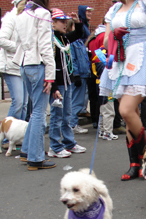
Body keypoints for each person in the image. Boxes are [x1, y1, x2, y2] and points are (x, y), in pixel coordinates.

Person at [99, 0, 146, 181]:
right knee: (131, 116)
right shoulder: (113, 9)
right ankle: (135, 164)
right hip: (120, 62)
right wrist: (114, 34)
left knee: (126, 110)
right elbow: (106, 41)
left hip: (141, 60)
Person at [12, 0, 58, 171]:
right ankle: (35, 158)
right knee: (39, 111)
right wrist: (50, 74)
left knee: (35, 110)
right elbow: (46, 45)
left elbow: (18, 43)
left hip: (24, 64)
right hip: (37, 64)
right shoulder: (43, 14)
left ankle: (27, 151)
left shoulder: (22, 14)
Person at [47, 8, 86, 158]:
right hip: (58, 83)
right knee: (57, 115)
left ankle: (69, 143)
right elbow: (49, 64)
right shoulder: (51, 40)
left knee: (67, 114)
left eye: (65, 21)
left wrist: (78, 23)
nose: (65, 24)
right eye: (61, 21)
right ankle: (55, 146)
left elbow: (78, 34)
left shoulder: (64, 38)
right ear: (53, 23)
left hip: (67, 82)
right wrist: (54, 86)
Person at [0, 0, 28, 123]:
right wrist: (21, 48)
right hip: (10, 65)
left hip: (22, 66)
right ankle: (7, 135)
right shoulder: (10, 19)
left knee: (24, 104)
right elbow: (1, 40)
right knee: (18, 102)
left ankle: (18, 135)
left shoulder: (26, 21)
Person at [87, 21, 118, 141]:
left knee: (103, 110)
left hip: (99, 84)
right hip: (106, 85)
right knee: (109, 111)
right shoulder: (106, 57)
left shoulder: (98, 54)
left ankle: (102, 131)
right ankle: (107, 132)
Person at [68, 19, 91, 134]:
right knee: (76, 101)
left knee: (78, 100)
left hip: (83, 73)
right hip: (79, 75)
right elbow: (73, 59)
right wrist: (76, 74)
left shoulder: (79, 42)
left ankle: (73, 123)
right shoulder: (72, 42)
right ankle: (72, 124)